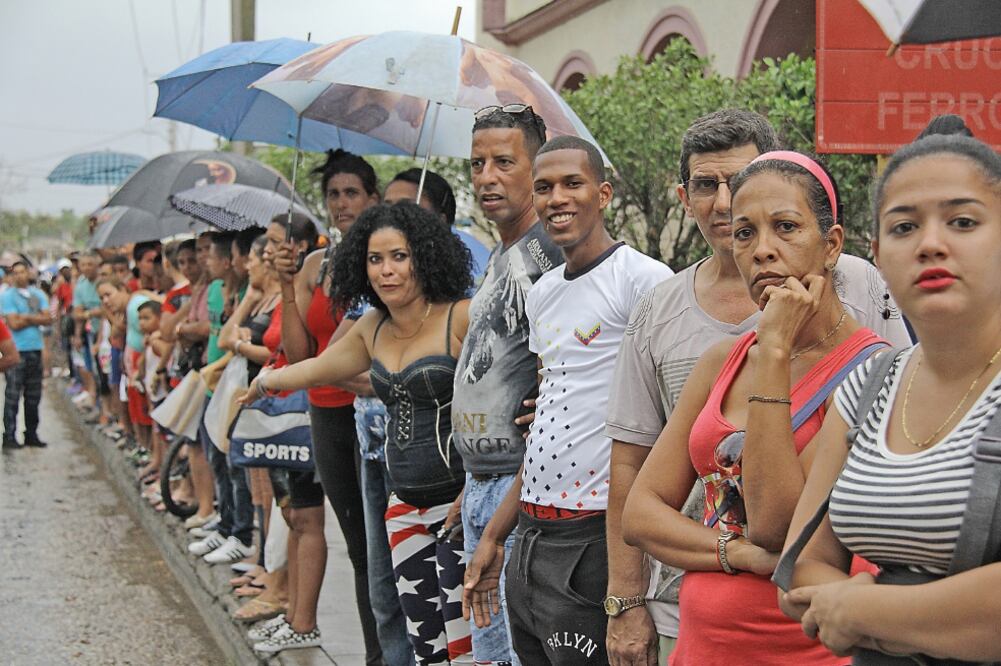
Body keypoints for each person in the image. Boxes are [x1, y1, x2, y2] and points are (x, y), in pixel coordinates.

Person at [602, 109, 911, 663]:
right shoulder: (723, 359)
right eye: (745, 233)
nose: (762, 249)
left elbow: (775, 524)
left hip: (806, 647)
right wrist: (733, 553)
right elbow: (642, 514)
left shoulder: (874, 371)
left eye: (786, 228)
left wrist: (772, 351)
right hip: (703, 644)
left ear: (832, 243)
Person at [779, 134, 1001, 661]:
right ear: (876, 254)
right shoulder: (869, 384)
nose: (930, 244)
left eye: (963, 222)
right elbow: (800, 567)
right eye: (904, 227)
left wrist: (861, 611)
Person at [467, 136, 672, 665]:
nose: (557, 198)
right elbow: (550, 419)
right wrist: (496, 534)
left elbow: (666, 422)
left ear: (602, 194)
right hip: (532, 539)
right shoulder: (544, 292)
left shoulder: (643, 280)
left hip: (597, 537)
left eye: (572, 183)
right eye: (544, 187)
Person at [244, 202, 474, 665]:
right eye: (375, 259)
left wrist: (475, 491)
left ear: (424, 257)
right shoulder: (372, 327)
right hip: (403, 508)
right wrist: (266, 382)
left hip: (459, 511)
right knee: (425, 646)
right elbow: (317, 367)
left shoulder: (462, 317)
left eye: (399, 257)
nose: (386, 271)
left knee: (466, 650)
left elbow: (500, 410)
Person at [269, 149, 405, 664]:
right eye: (333, 194)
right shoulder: (314, 265)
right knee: (359, 546)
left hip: (377, 417)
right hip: (327, 412)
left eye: (352, 192)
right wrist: (287, 283)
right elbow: (303, 355)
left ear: (372, 197)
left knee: (389, 544)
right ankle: (376, 655)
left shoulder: (386, 259)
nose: (342, 203)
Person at [453, 104, 563, 666]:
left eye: (503, 161)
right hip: (483, 486)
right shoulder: (501, 255)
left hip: (518, 499)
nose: (486, 177)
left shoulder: (547, 256)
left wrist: (499, 516)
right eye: (476, 164)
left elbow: (559, 387)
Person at [189, 232, 256, 565]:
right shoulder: (214, 291)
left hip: (234, 385)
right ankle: (226, 519)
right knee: (214, 454)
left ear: (231, 260)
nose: (206, 261)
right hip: (214, 384)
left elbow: (231, 340)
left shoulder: (248, 293)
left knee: (235, 463)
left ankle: (241, 531)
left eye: (212, 256)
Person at [383, 168, 488, 283]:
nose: (393, 215)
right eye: (387, 207)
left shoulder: (474, 263)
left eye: (407, 207)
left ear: (441, 219)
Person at [1, 261, 52, 449]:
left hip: (34, 348)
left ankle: (31, 433)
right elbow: (13, 323)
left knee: (33, 395)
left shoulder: (37, 295)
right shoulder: (7, 297)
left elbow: (48, 318)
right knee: (13, 395)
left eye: (22, 272)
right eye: (15, 273)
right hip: (16, 350)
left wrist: (26, 318)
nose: (19, 276)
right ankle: (9, 435)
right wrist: (34, 318)